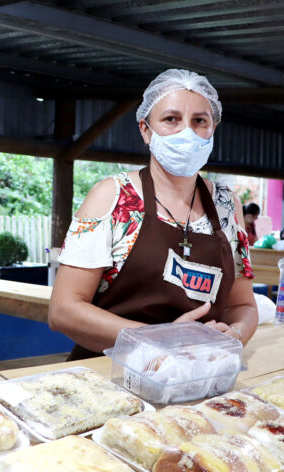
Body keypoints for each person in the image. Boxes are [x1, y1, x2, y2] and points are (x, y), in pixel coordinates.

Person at [49, 69, 258, 360]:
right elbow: (63, 311)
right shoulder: (111, 198)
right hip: (109, 376)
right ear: (145, 130)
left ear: (213, 130)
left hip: (193, 375)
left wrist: (234, 337)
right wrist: (160, 340)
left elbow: (243, 306)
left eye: (200, 121)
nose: (187, 131)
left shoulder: (227, 204)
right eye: (171, 119)